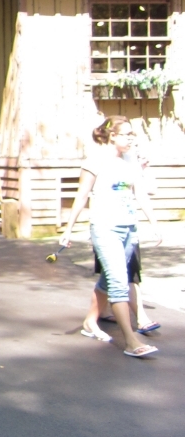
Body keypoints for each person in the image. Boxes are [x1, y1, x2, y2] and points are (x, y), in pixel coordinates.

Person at [60, 116, 161, 357]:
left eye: (132, 134)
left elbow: (141, 194)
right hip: (105, 228)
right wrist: (68, 229)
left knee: (110, 278)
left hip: (129, 228)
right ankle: (131, 341)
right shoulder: (95, 161)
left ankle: (89, 322)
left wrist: (154, 224)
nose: (130, 138)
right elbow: (81, 196)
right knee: (118, 284)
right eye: (126, 134)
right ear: (112, 136)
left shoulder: (130, 160)